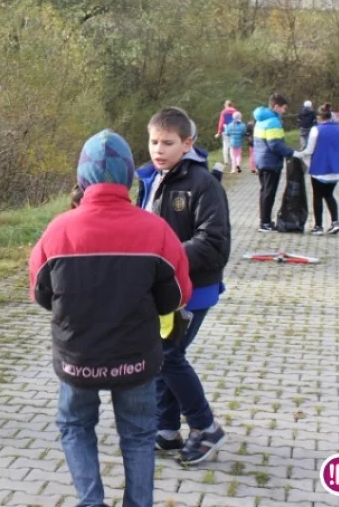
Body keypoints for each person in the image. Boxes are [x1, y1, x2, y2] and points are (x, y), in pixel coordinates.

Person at [30, 130, 191, 507]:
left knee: (75, 426)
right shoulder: (156, 230)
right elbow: (177, 297)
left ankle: (91, 502)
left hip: (77, 359)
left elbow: (41, 294)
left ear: (82, 176)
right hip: (137, 360)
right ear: (128, 176)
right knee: (138, 436)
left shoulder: (58, 230)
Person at [135, 108, 230, 465]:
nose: (158, 150)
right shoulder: (149, 178)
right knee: (163, 355)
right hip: (161, 289)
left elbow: (214, 244)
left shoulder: (203, 184)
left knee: (165, 356)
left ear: (187, 143)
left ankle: (206, 427)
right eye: (153, 142)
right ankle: (167, 430)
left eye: (168, 143)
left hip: (193, 290)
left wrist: (164, 258)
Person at [253, 93, 303, 232]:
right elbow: (275, 145)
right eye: (283, 108)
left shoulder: (260, 120)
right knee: (269, 193)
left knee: (264, 191)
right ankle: (265, 223)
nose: (284, 111)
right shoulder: (273, 122)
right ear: (276, 106)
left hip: (261, 160)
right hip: (271, 162)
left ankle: (265, 220)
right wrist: (292, 153)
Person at [300, 103, 339, 235]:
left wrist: (299, 154)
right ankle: (335, 222)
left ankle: (318, 226)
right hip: (335, 169)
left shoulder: (316, 130)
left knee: (317, 196)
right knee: (329, 195)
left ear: (318, 117)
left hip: (319, 168)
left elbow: (309, 150)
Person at [215, 100, 239, 166]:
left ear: (226, 105)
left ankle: (226, 161)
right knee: (232, 146)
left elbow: (221, 123)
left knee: (225, 145)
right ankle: (233, 161)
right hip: (234, 130)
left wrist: (219, 132)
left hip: (225, 130)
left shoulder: (224, 112)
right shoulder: (236, 112)